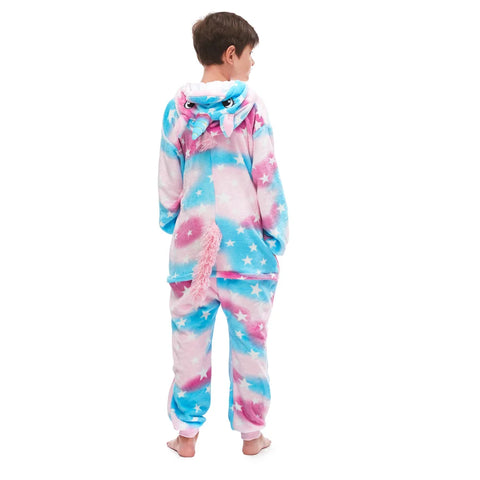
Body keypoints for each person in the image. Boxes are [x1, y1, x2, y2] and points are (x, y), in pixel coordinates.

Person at [158, 11, 289, 457]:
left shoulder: (177, 111)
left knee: (189, 345)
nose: (252, 63)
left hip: (192, 254)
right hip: (245, 252)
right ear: (231, 53)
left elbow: (168, 183)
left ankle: (186, 437)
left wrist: (175, 223)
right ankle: (252, 438)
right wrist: (276, 233)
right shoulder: (251, 107)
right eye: (250, 54)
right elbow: (265, 174)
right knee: (250, 346)